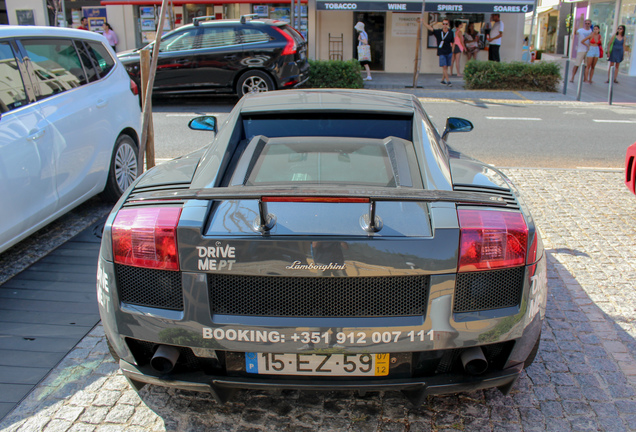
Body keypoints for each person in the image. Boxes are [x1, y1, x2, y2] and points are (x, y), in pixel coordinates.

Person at [423, 18, 454, 87]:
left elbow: (453, 42)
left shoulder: (451, 32)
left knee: (446, 67)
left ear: (448, 25)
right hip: (441, 51)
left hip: (449, 51)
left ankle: (442, 80)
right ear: (442, 24)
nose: (445, 25)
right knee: (444, 67)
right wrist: (424, 22)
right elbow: (431, 28)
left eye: (446, 24)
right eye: (443, 24)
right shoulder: (439, 32)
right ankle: (448, 81)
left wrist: (452, 50)